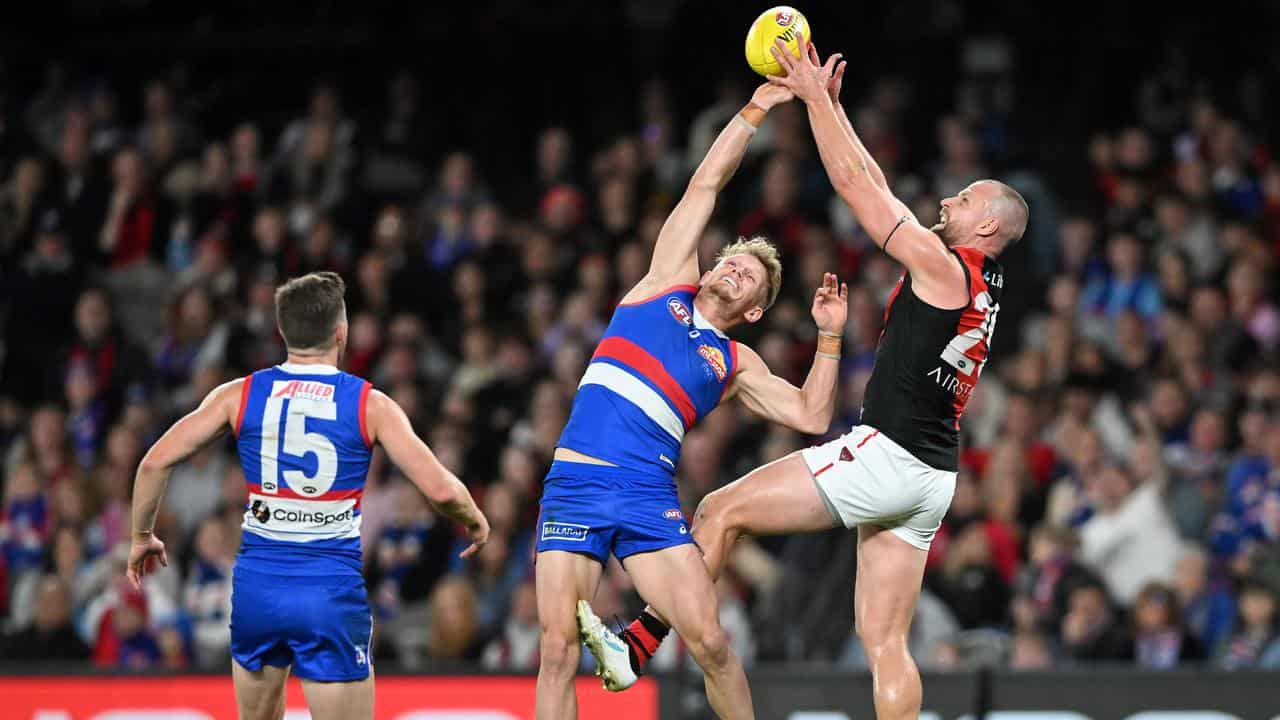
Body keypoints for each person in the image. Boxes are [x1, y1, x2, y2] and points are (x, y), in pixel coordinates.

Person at [582, 36, 1027, 720]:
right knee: (884, 641)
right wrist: (833, 107)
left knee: (717, 512)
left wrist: (814, 99)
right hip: (934, 475)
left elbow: (856, 190)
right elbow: (875, 183)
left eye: (965, 198)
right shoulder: (984, 286)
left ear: (989, 222)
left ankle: (638, 642)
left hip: (889, 452)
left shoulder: (947, 268)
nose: (950, 200)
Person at [536, 80, 849, 720]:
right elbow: (705, 183)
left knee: (711, 643)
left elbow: (812, 415)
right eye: (733, 260)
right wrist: (758, 108)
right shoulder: (664, 283)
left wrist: (830, 336)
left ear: (755, 309)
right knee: (558, 651)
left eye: (751, 277)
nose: (734, 268)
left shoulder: (734, 362)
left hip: (647, 494)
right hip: (576, 481)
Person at [127, 272, 488, 720]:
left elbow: (152, 463)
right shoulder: (368, 404)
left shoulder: (238, 395)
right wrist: (473, 516)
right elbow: (438, 488)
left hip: (259, 587)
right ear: (342, 332)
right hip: (328, 590)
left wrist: (141, 535)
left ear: (282, 333)